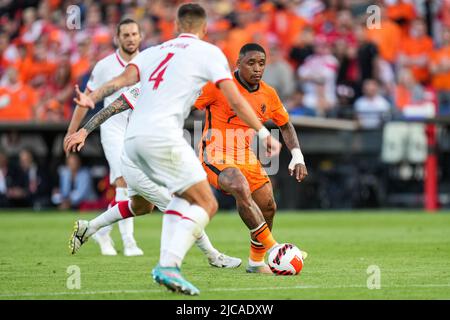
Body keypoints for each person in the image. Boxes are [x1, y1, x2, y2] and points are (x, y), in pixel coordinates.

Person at [68, 3, 281, 295]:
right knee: (204, 202)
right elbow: (235, 100)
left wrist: (88, 111)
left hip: (132, 144)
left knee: (153, 203)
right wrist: (262, 132)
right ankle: (199, 259)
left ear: (176, 27)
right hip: (161, 138)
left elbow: (118, 88)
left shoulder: (153, 54)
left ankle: (97, 231)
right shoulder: (208, 54)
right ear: (204, 30)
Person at [193, 43, 308, 273]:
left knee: (268, 205)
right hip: (214, 151)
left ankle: (256, 262)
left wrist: (297, 154)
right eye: (251, 63)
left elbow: (285, 125)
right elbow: (187, 104)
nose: (257, 69)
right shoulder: (218, 86)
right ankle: (275, 249)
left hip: (245, 155)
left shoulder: (268, 93)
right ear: (238, 63)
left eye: (262, 64)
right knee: (239, 185)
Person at [64, 18, 144, 257]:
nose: (130, 38)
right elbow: (86, 101)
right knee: (123, 181)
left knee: (137, 191)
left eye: (134, 34)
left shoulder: (149, 62)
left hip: (140, 131)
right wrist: (72, 131)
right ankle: (129, 242)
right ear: (117, 38)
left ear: (140, 36)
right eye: (126, 35)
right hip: (112, 128)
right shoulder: (105, 66)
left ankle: (100, 230)